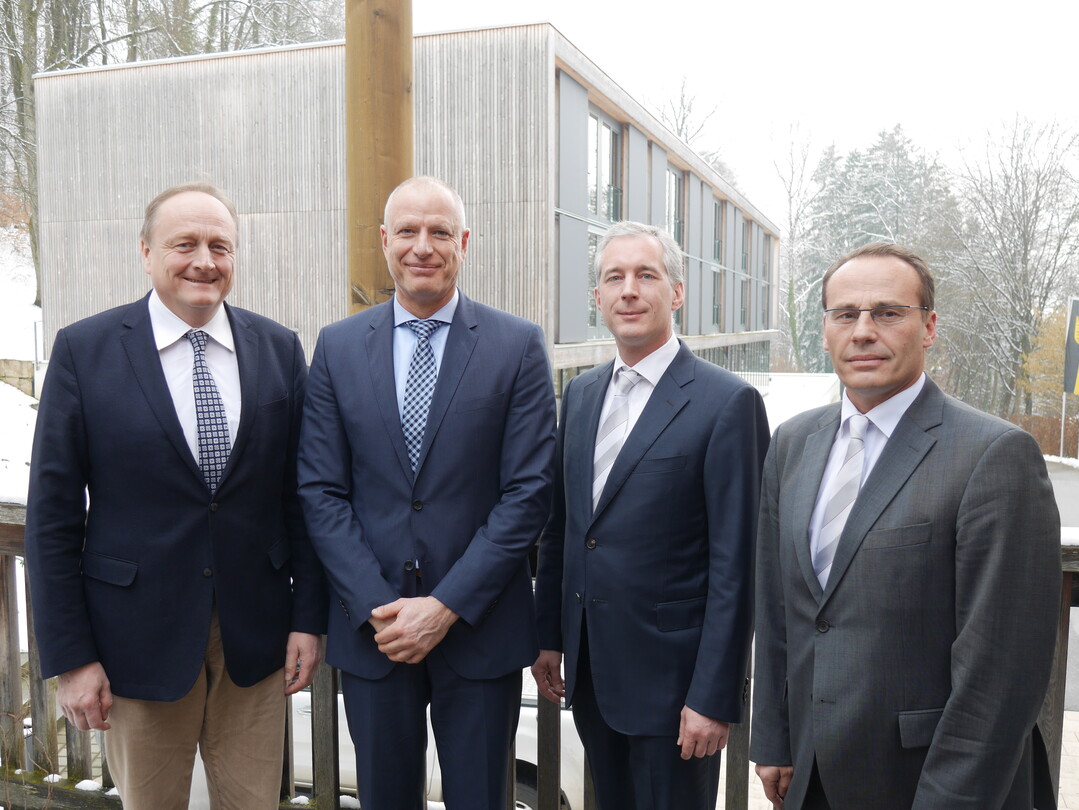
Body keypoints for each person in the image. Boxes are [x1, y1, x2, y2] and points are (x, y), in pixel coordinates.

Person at [24, 181, 327, 809]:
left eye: (220, 246)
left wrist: (308, 619)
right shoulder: (85, 351)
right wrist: (71, 659)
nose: (204, 261)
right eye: (184, 244)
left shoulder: (278, 349)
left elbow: (300, 499)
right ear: (146, 251)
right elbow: (52, 519)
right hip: (136, 644)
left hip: (255, 642)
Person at [751, 242, 1061, 810]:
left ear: (929, 327)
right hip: (810, 774)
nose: (863, 332)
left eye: (888, 313)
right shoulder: (793, 443)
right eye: (845, 314)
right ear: (825, 330)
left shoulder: (994, 455)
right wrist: (774, 737)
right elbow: (778, 608)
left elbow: (1001, 672)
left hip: (928, 782)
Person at [297, 176, 557, 810]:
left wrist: (444, 606)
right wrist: (376, 606)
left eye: (440, 232)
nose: (423, 247)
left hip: (479, 627)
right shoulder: (336, 346)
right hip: (375, 632)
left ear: (463, 243)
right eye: (408, 232)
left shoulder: (517, 345)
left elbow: (528, 492)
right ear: (385, 242)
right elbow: (321, 489)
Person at [531, 221, 770, 810]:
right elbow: (565, 530)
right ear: (598, 297)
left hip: (677, 693)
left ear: (677, 291)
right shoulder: (581, 395)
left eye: (647, 275)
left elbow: (738, 565)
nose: (630, 290)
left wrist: (713, 694)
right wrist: (550, 638)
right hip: (592, 677)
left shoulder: (727, 402)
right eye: (615, 278)